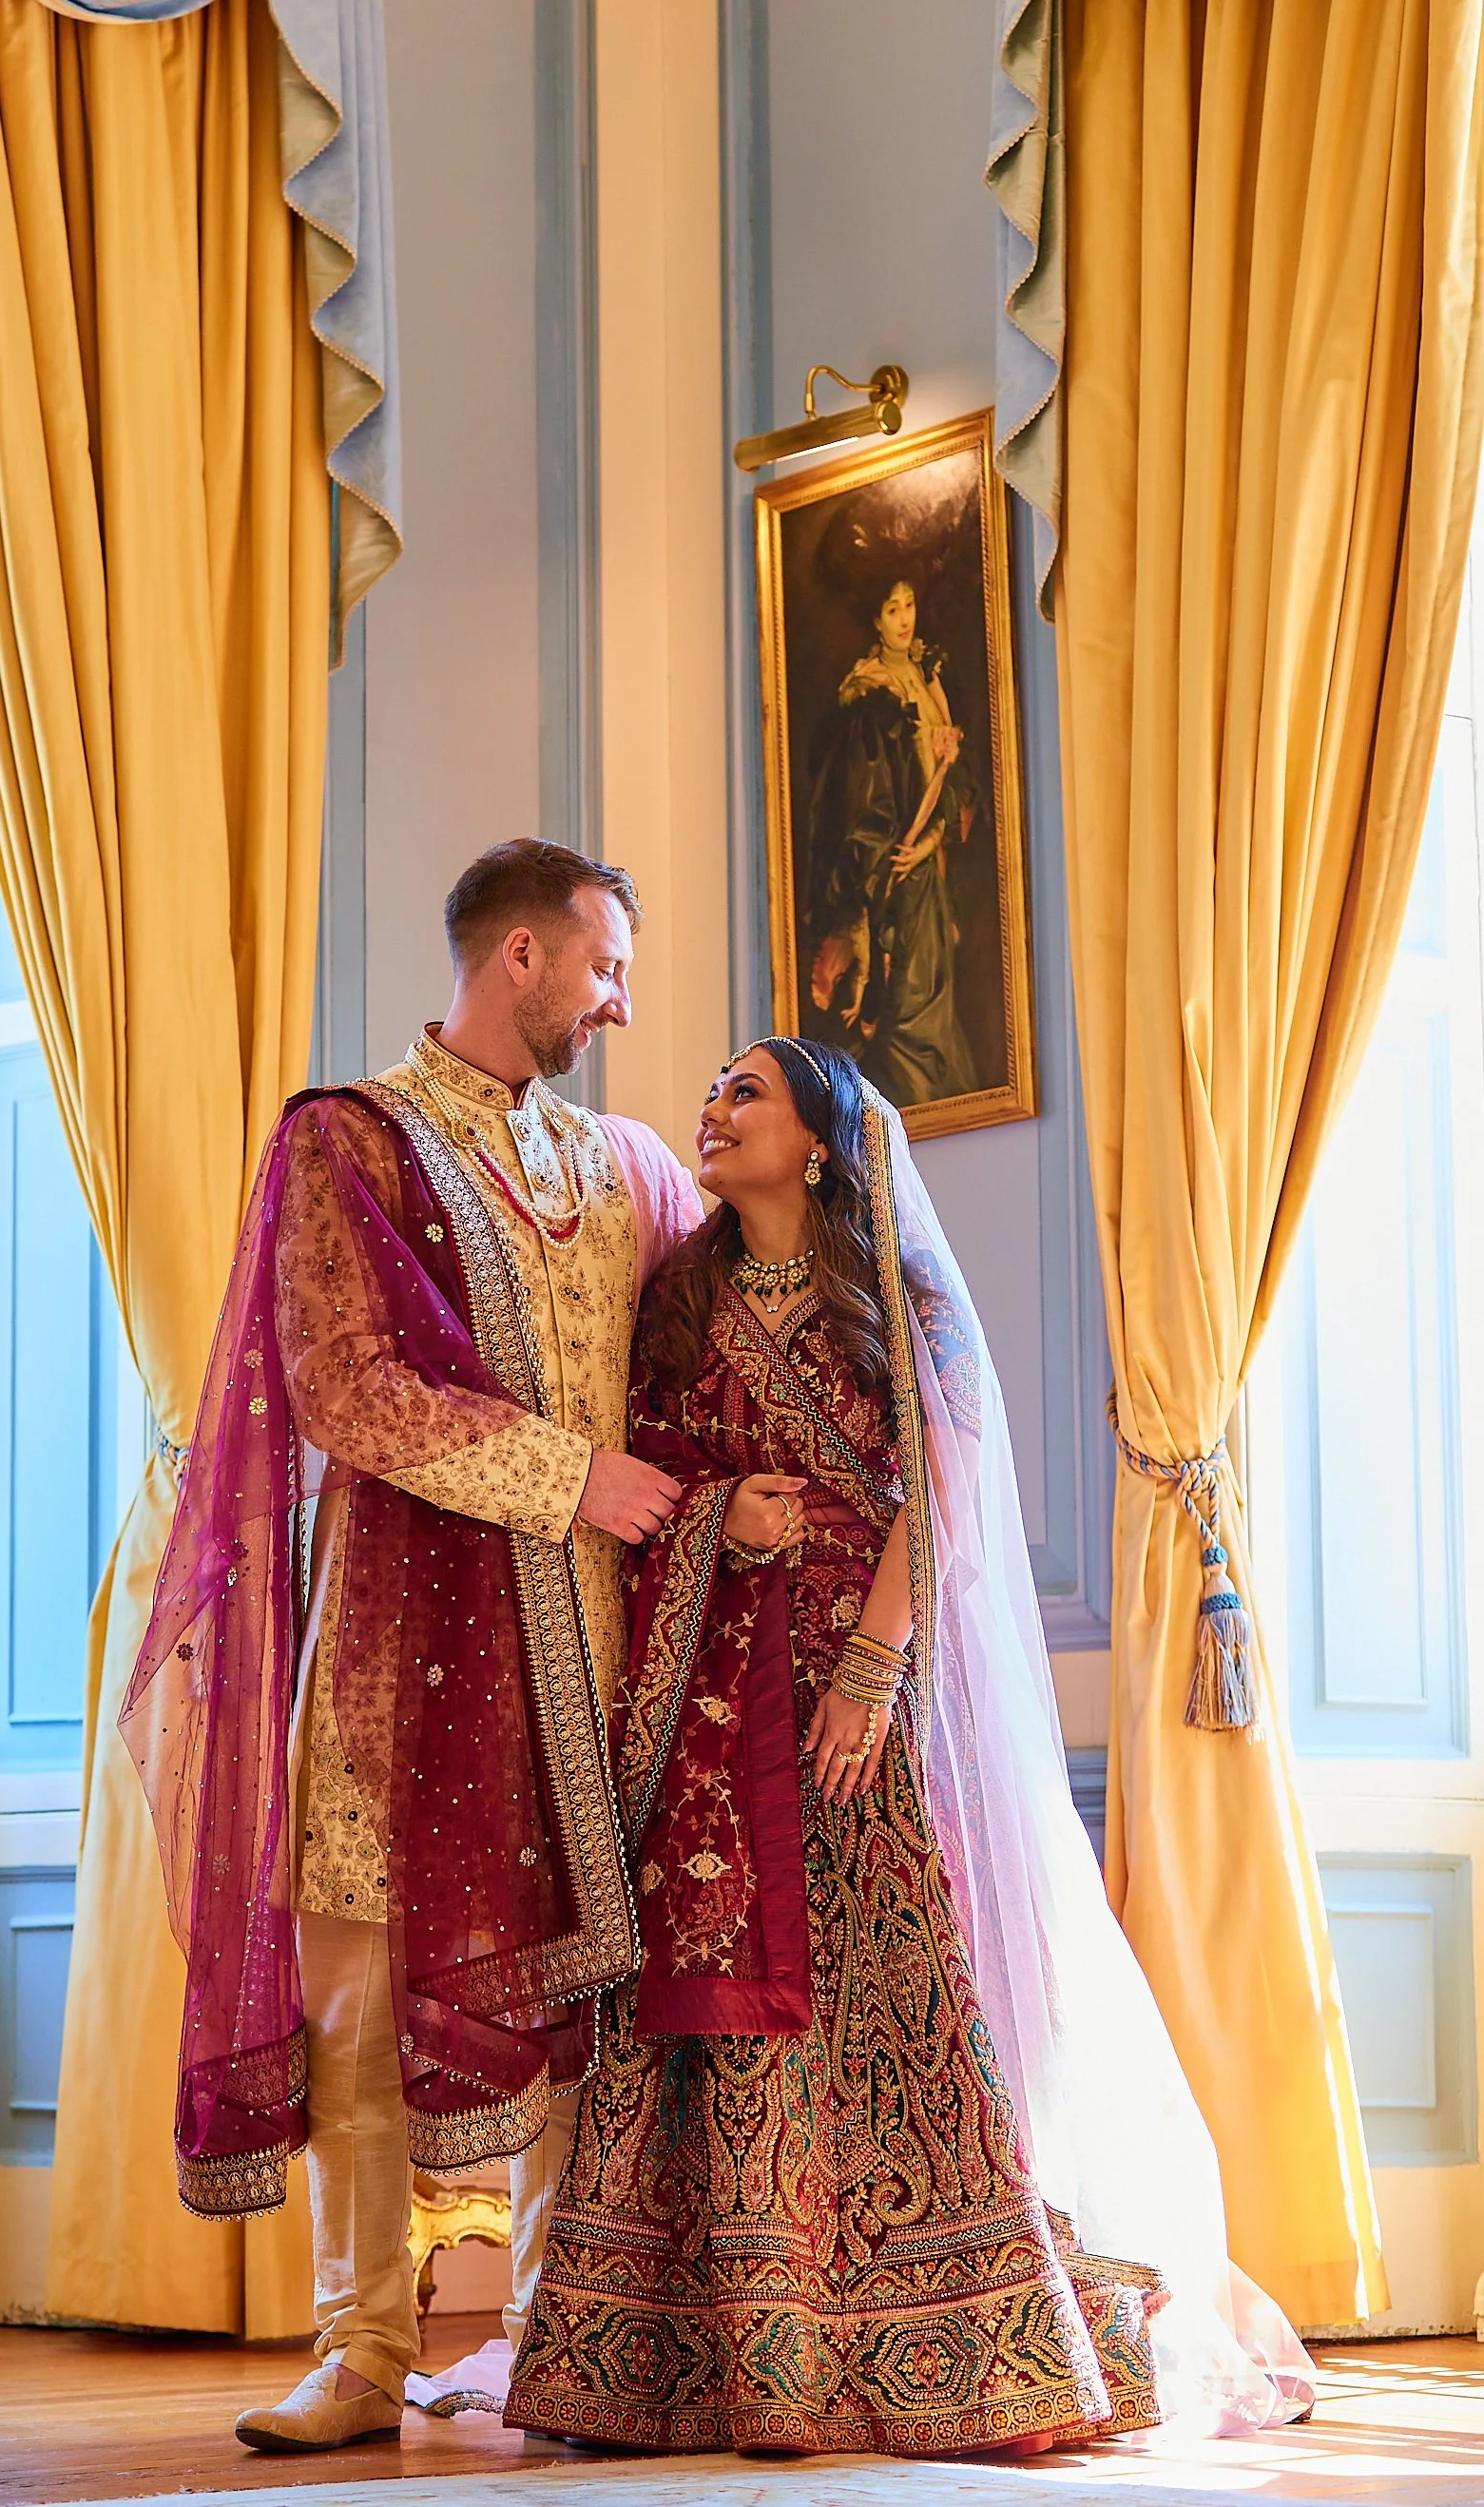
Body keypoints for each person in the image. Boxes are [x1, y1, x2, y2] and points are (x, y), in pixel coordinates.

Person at [505, 1038, 1314, 2458]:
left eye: (745, 1092)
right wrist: (717, 1524)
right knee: (707, 2009)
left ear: (819, 1141)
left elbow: (936, 1501)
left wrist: (873, 1675)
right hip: (705, 1704)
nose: (714, 1108)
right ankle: (722, 2350)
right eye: (712, 1091)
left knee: (879, 2005)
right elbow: (657, 1479)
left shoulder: (899, 1300)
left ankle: (940, 2331)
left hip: (850, 1708)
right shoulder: (679, 1300)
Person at [119, 838, 703, 2455]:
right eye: (603, 964)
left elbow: (726, 1333)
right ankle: (362, 2350)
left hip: (592, 1645)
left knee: (582, 1987)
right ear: (518, 956)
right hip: (397, 1641)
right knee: (360, 1997)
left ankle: (554, 2336)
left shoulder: (630, 1166)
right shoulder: (348, 1144)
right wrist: (572, 1476)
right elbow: (347, 1390)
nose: (620, 997)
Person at [804, 581, 978, 1105]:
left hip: (931, 870)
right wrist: (900, 857)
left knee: (935, 998)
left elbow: (959, 790)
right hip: (900, 881)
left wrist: (933, 841)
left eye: (909, 605)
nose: (905, 618)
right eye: (891, 608)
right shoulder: (870, 697)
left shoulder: (929, 679)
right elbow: (867, 811)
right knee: (909, 1006)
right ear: (875, 620)